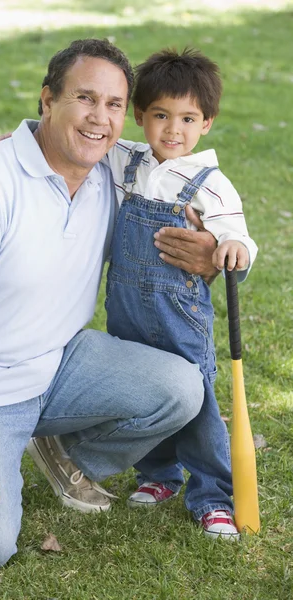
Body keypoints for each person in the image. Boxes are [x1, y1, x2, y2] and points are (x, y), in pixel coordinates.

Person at [0, 39, 217, 572]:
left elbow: (190, 180)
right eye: (84, 99)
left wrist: (211, 254)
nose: (100, 118)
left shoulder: (117, 172)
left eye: (114, 105)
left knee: (182, 388)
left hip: (60, 363)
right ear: (47, 101)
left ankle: (56, 454)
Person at [99, 48, 257, 539]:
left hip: (179, 314)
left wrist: (230, 247)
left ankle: (212, 495)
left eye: (188, 118)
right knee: (141, 396)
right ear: (140, 116)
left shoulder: (211, 185)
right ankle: (158, 475)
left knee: (199, 402)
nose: (173, 130)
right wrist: (21, 136)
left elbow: (239, 237)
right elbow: (77, 136)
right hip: (125, 310)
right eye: (161, 116)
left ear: (206, 123)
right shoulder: (126, 159)